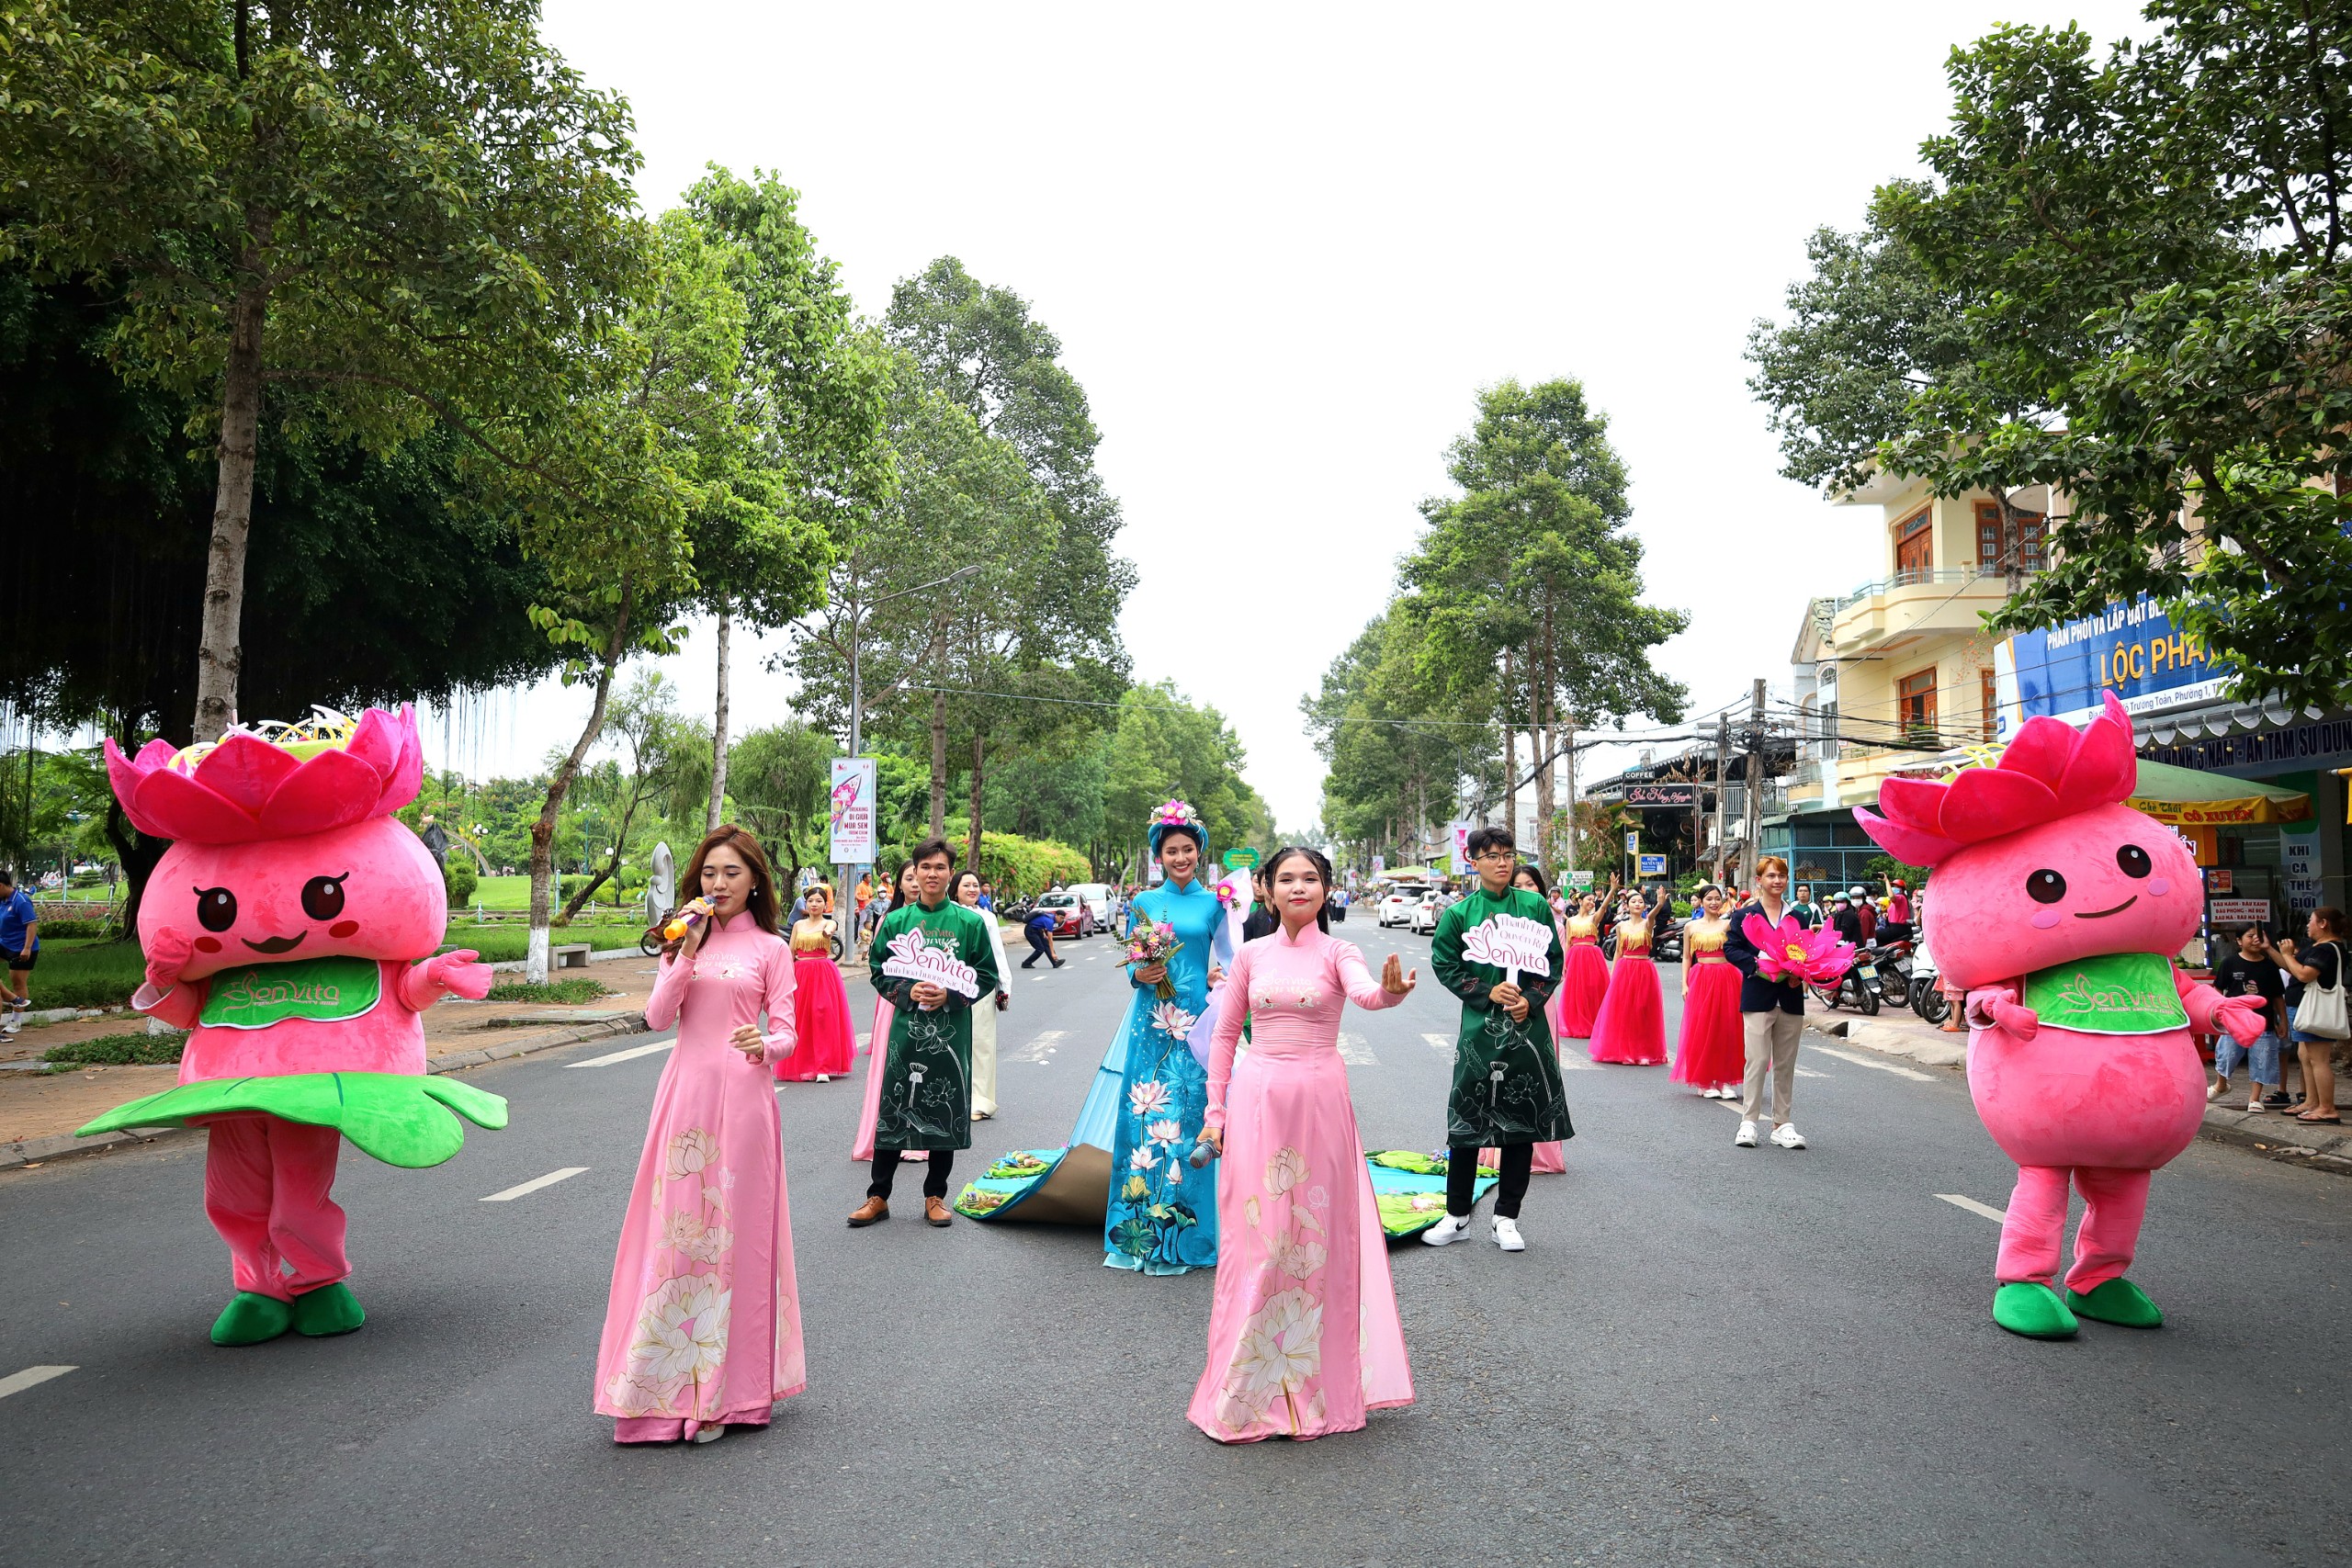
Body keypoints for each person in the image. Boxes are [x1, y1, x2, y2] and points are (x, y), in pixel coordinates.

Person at [1190, 847, 1415, 1441]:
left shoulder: (1339, 951)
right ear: (1266, 890)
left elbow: (1367, 993)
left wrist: (1391, 994)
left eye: (1310, 877)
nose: (1298, 886)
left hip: (1319, 1104)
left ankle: (1312, 1385)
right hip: (1257, 1100)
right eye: (1286, 877)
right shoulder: (1251, 955)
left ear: (1326, 889)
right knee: (1260, 1243)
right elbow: (1223, 1036)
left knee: (1311, 1246)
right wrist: (1215, 1111)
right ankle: (1249, 1386)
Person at [594, 824, 802, 1444]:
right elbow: (658, 1016)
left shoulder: (773, 948)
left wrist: (763, 1043)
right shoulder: (681, 941)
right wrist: (684, 950)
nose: (718, 883)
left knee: (737, 1245)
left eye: (731, 872)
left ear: (756, 880)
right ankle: (661, 1390)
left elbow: (787, 1033)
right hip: (685, 1099)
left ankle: (727, 1395)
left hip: (744, 1103)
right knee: (679, 1242)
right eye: (709, 872)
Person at [1100, 802, 1233, 1272]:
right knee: (1146, 1115)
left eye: (1188, 849)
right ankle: (1141, 1234)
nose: (1180, 857)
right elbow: (1134, 965)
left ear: (1199, 853)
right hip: (1151, 1022)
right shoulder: (1144, 903)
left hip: (1198, 1023)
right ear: (1159, 855)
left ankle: (1192, 1237)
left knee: (1196, 1115)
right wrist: (1143, 971)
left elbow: (1231, 960)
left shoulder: (1216, 902)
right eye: (1172, 851)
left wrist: (1226, 986)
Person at [1423, 825, 1569, 1252]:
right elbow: (1445, 963)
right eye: (1492, 856)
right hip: (1478, 1035)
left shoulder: (1534, 907)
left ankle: (1507, 1217)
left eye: (1507, 854)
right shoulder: (1459, 914)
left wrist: (1531, 999)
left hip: (1527, 1031)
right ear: (1474, 862)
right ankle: (1457, 1215)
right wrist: (1486, 991)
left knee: (1520, 1124)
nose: (1502, 862)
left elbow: (1552, 963)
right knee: (1467, 1122)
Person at [851, 839, 1000, 1227]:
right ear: (913, 873)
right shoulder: (897, 921)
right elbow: (879, 970)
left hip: (950, 1032)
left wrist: (951, 995)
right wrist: (906, 992)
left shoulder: (970, 923)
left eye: (940, 867)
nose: (932, 874)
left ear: (951, 874)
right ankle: (877, 1196)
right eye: (925, 867)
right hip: (905, 1030)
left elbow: (986, 975)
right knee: (894, 1107)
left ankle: (936, 1195)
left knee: (944, 1109)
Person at [1724, 856, 1809, 1149]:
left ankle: (1781, 1124)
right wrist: (1756, 965)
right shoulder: (1745, 917)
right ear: (1759, 881)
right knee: (1757, 1060)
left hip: (1790, 997)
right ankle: (1748, 1122)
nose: (1777, 881)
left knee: (1785, 1063)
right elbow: (1731, 949)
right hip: (1758, 996)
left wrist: (1802, 973)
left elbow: (1807, 952)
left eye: (1782, 876)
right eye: (1771, 876)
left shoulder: (1798, 917)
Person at [850, 861, 924, 1163]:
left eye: (919, 878)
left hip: (930, 1001)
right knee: (891, 1065)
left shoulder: (942, 921)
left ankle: (918, 1137)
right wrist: (903, 992)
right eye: (910, 878)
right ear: (900, 885)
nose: (916, 883)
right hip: (894, 1000)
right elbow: (878, 968)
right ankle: (886, 1135)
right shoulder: (890, 920)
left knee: (921, 1067)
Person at [1501, 863, 1569, 1174]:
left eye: (1532, 885)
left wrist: (1532, 996)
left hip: (1541, 1001)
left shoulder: (1552, 925)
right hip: (1505, 999)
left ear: (1541, 890)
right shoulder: (1500, 922)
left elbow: (1557, 967)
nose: (1527, 891)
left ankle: (1541, 1150)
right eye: (1520, 885)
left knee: (1538, 1068)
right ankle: (1499, 1146)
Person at [2267, 908, 2346, 1124]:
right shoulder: (2318, 948)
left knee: (2318, 1059)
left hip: (2313, 1008)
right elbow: (2292, 967)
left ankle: (2327, 1108)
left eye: (2311, 921)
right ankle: (2312, 1101)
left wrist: (2286, 955)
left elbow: (2303, 973)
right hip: (2302, 1007)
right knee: (2305, 1056)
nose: (2307, 925)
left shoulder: (2327, 950)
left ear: (2323, 924)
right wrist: (2274, 951)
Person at [1671, 885, 1746, 1098]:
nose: (1714, 902)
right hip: (1701, 977)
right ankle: (1704, 1081)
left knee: (1727, 1029)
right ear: (1701, 901)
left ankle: (1724, 1080)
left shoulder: (1729, 924)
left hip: (1728, 977)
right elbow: (1686, 957)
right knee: (1702, 1028)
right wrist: (1684, 984)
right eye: (1709, 899)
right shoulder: (1691, 927)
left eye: (1717, 898)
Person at [775, 884, 854, 1084]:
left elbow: (830, 928)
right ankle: (804, 1065)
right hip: (800, 972)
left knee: (822, 1016)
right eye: (810, 900)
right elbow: (791, 952)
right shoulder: (798, 926)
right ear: (805, 902)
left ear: (825, 904)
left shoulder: (829, 923)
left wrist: (827, 932)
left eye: (819, 901)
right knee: (800, 1018)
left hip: (823, 974)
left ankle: (823, 1067)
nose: (814, 904)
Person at [1588, 884, 1668, 1066]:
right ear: (1628, 905)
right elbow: (1617, 952)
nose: (1637, 904)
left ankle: (1644, 1051)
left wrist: (1659, 904)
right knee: (1624, 1012)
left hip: (1644, 969)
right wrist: (1613, 973)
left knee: (1643, 1011)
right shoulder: (1621, 927)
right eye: (1634, 901)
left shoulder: (1648, 923)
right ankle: (1626, 1051)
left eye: (1640, 901)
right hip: (1625, 968)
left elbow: (1654, 916)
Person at [954, 868, 1012, 1121]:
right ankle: (954, 1099)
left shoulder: (987, 917)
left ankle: (980, 1101)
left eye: (975, 885)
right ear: (954, 888)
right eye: (966, 885)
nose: (972, 890)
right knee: (953, 1044)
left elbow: (998, 953)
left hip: (982, 986)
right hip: (951, 986)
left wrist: (1004, 987)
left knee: (982, 1044)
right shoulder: (948, 915)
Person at [2209, 923, 2286, 1112]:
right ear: (2239, 941)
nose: (2255, 940)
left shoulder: (2269, 966)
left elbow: (2277, 996)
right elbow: (2218, 990)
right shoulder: (2229, 963)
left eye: (2258, 936)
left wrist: (2282, 1020)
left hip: (2263, 1022)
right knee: (2226, 1055)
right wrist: (2215, 1011)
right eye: (2250, 936)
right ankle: (2221, 1085)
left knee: (2262, 1059)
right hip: (2233, 1022)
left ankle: (2255, 1098)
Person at [1555, 891, 1610, 1040]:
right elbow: (1567, 942)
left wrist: (1611, 890)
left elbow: (1603, 908)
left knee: (1593, 989)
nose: (1592, 902)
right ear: (1580, 901)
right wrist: (1565, 962)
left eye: (1593, 900)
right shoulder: (1571, 921)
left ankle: (1595, 1023)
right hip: (1575, 957)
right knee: (1577, 991)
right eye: (1589, 899)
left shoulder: (1594, 918)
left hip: (1592, 957)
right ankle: (1577, 1023)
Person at [0, 868, 37, 1029]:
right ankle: (11, 997)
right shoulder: (2, 901)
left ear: (1, 886)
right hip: (3, 944)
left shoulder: (20, 900)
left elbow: (31, 925)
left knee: (18, 983)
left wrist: (27, 948)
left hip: (21, 948)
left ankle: (16, 1020)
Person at [1021, 902, 1064, 969]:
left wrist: (1043, 933)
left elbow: (1040, 922)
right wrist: (1053, 953)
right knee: (1040, 949)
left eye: (1063, 919)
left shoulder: (1050, 916)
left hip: (1038, 930)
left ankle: (1055, 962)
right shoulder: (1050, 921)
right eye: (1060, 918)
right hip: (1030, 931)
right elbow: (1050, 940)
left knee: (1046, 943)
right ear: (1056, 915)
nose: (1061, 920)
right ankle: (1026, 963)